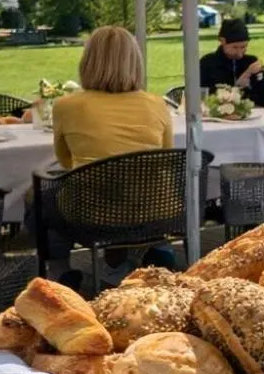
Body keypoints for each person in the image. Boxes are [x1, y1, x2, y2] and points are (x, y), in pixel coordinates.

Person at [48, 26, 177, 287]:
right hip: (154, 209)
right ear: (136, 62)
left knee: (41, 196)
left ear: (88, 61)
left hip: (93, 214)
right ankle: (153, 248)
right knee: (136, 188)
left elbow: (65, 161)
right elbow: (166, 155)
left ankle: (60, 268)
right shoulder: (157, 104)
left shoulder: (66, 106)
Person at [199, 17, 264, 107]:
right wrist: (239, 84)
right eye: (235, 47)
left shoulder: (250, 62)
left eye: (243, 47)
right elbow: (206, 97)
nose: (240, 53)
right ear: (222, 41)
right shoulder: (208, 63)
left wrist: (260, 77)